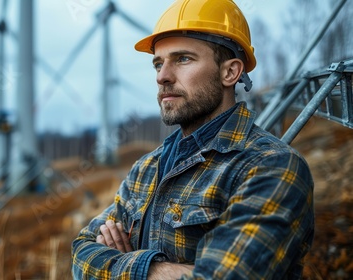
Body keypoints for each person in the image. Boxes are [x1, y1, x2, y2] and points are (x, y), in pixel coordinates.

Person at [71, 0, 314, 279]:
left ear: (230, 72)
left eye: (183, 59)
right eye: (158, 64)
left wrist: (127, 265)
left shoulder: (271, 167)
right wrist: (158, 271)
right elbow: (81, 251)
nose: (162, 76)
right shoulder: (147, 168)